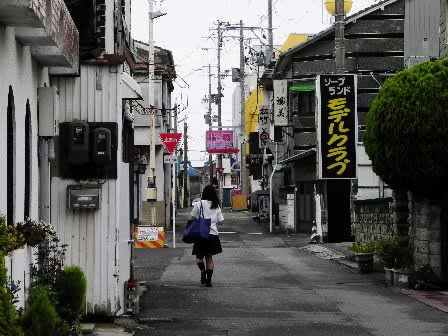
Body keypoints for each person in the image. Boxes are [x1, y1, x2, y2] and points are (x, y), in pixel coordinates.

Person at [190, 185, 224, 287]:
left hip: (201, 234)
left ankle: (202, 271)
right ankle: (208, 281)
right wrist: (214, 220)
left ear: (204, 193)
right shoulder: (216, 205)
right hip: (213, 235)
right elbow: (221, 221)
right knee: (209, 258)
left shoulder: (199, 204)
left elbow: (192, 217)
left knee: (199, 258)